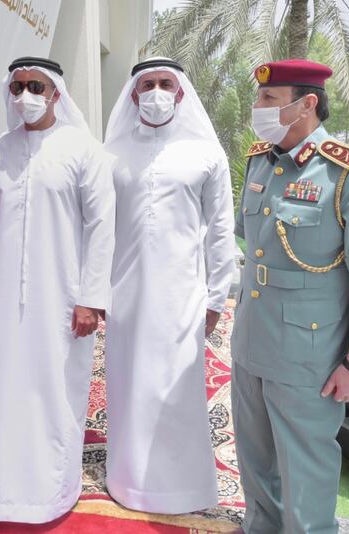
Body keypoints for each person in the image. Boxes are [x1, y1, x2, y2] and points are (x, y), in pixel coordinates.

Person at [0, 56, 116, 523]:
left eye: (36, 86)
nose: (25, 95)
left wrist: (90, 299)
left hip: (64, 299)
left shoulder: (83, 149)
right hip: (5, 299)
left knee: (56, 388)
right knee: (6, 388)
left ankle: (52, 492)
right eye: (17, 86)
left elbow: (103, 226)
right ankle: (4, 491)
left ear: (56, 93)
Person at [231, 59, 349, 533]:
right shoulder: (259, 160)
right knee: (255, 463)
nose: (257, 108)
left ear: (308, 104)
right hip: (251, 344)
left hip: (309, 356)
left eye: (269, 100)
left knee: (307, 472)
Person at [102, 56, 235, 514]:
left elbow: (221, 230)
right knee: (128, 384)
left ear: (180, 93)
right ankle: (128, 479)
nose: (156, 92)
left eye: (165, 84)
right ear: (134, 93)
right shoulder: (112, 152)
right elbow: (97, 228)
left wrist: (218, 295)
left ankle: (181, 486)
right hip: (125, 292)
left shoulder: (206, 153)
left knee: (176, 389)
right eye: (147, 85)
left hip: (184, 295)